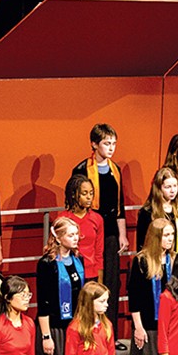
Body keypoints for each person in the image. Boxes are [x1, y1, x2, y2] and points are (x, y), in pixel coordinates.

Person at [33, 216, 85, 355]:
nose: (76, 238)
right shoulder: (47, 264)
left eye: (77, 234)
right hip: (53, 329)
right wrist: (46, 336)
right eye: (71, 235)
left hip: (73, 328)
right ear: (58, 237)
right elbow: (43, 303)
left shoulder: (78, 260)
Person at [73, 123, 127, 333]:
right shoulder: (81, 170)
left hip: (111, 232)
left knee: (111, 281)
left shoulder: (116, 170)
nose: (111, 148)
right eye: (106, 143)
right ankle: (85, 328)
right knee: (89, 280)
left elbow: (120, 205)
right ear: (94, 144)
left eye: (114, 143)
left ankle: (109, 332)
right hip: (90, 232)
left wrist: (122, 234)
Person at [125, 217, 174, 355]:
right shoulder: (141, 261)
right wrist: (138, 327)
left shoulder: (173, 260)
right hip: (147, 326)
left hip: (169, 326)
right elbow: (134, 298)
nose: (170, 239)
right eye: (166, 235)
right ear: (156, 237)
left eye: (172, 235)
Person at [135, 166, 178, 253]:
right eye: (168, 187)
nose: (173, 190)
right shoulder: (147, 212)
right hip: (155, 258)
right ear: (159, 188)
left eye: (175, 186)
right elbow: (142, 244)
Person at [60, 173, 104, 281]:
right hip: (70, 273)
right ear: (74, 194)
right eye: (84, 193)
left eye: (91, 193)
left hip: (91, 274)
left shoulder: (97, 219)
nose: (89, 197)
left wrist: (100, 281)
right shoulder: (63, 219)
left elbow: (99, 253)